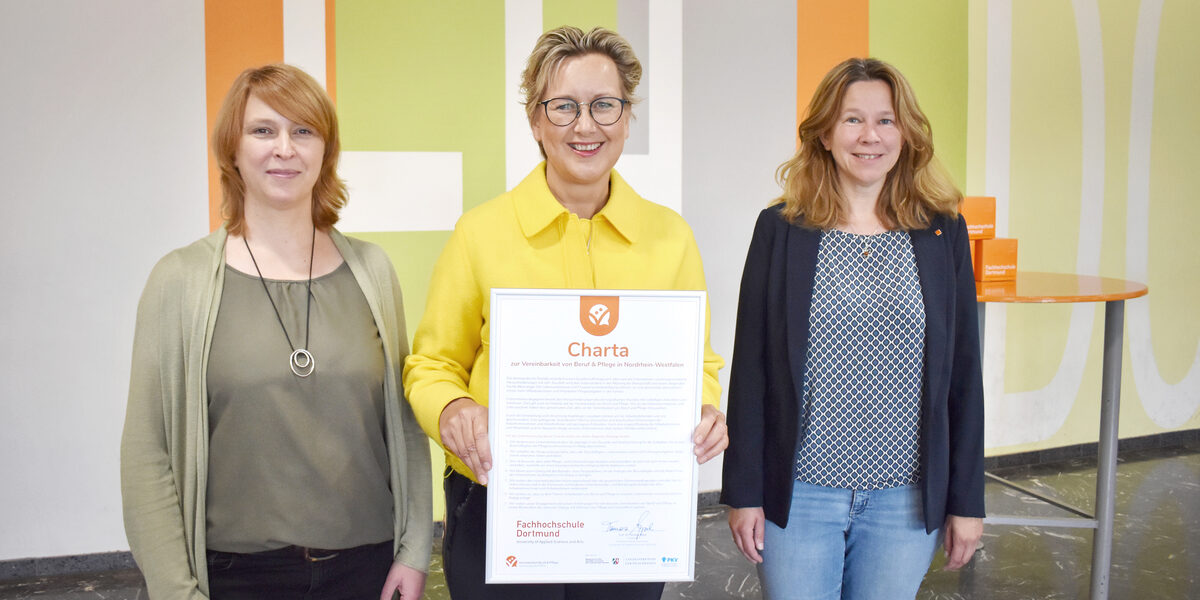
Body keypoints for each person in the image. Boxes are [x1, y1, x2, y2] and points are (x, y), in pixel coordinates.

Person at [403, 26, 727, 600]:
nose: (586, 125)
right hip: (501, 505)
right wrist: (452, 408)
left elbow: (695, 362)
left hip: (627, 510)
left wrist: (703, 409)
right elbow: (431, 365)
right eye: (564, 107)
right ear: (535, 120)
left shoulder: (670, 238)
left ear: (627, 117)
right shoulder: (480, 234)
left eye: (605, 105)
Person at [120, 63, 432, 600]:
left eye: (303, 130)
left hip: (367, 568)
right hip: (234, 577)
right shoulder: (180, 280)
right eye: (263, 130)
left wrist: (413, 551)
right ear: (232, 150)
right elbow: (147, 454)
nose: (284, 148)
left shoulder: (373, 271)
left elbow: (403, 426)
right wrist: (175, 590)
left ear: (325, 151)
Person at [721, 57, 986, 599]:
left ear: (906, 133)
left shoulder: (943, 233)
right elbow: (750, 368)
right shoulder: (781, 229)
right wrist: (744, 493)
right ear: (823, 133)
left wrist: (966, 500)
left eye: (886, 121)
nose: (870, 136)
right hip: (799, 496)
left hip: (905, 502)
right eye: (852, 120)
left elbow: (963, 375)